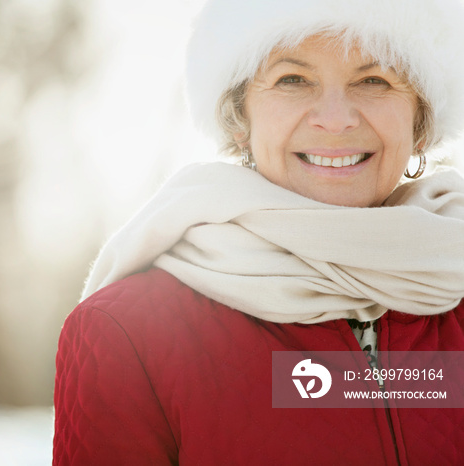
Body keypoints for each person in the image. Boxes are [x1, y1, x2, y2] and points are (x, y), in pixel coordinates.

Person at [53, 0, 464, 464]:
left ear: (421, 120)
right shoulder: (127, 333)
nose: (335, 118)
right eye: (292, 80)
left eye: (374, 80)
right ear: (239, 117)